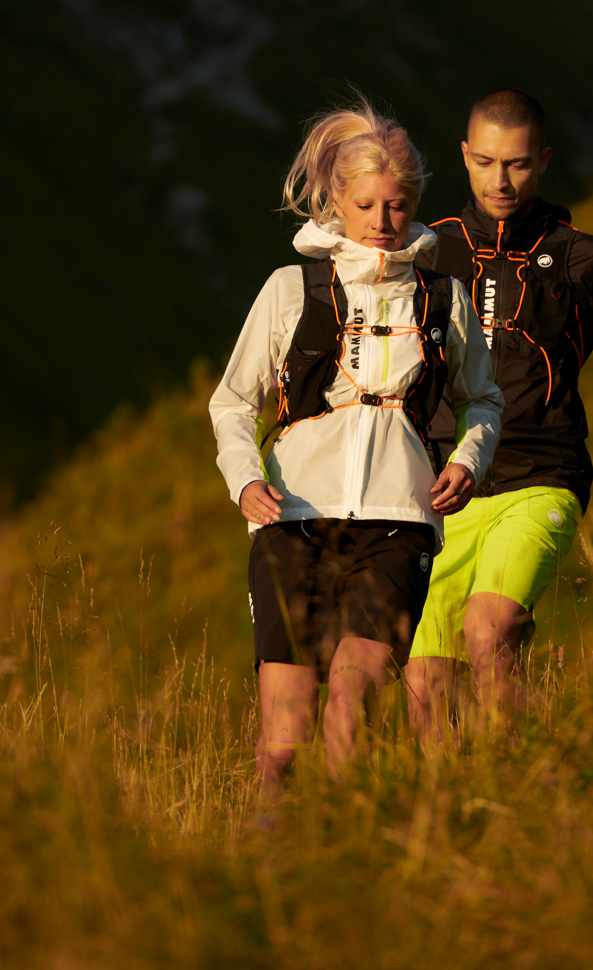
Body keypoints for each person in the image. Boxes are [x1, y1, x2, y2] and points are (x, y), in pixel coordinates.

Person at [210, 99, 503, 791]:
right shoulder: (290, 289)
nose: (381, 220)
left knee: (351, 711)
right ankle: (272, 866)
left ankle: (343, 857)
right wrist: (243, 481)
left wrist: (466, 461)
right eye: (366, 204)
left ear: (414, 203)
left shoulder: (443, 298)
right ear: (335, 201)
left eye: (397, 204)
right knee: (282, 742)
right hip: (289, 522)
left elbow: (483, 399)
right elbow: (231, 402)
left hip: (397, 527)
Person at [406, 88, 593, 732]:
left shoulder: (585, 258)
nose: (501, 180)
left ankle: (559, 765)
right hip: (442, 492)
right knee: (424, 687)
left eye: (519, 164)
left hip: (542, 476)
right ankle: (464, 820)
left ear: (545, 161)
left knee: (488, 631)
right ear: (465, 157)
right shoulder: (429, 252)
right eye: (486, 162)